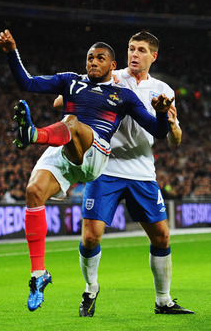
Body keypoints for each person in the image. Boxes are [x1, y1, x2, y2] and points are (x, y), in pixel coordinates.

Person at [0, 29, 173, 312]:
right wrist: (11, 53)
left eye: (100, 58)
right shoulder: (70, 81)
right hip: (62, 144)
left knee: (73, 122)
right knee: (33, 191)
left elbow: (157, 131)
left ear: (112, 66)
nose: (93, 62)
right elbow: (27, 83)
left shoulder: (122, 95)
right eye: (89, 57)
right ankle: (38, 275)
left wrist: (162, 114)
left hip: (95, 153)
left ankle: (33, 135)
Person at [74, 30, 194, 316]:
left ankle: (163, 301)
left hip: (142, 172)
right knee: (91, 236)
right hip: (105, 167)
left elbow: (173, 140)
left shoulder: (163, 90)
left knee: (162, 237)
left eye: (141, 50)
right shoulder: (111, 77)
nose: (134, 54)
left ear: (153, 56)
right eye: (130, 49)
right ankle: (91, 289)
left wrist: (173, 125)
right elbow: (76, 94)